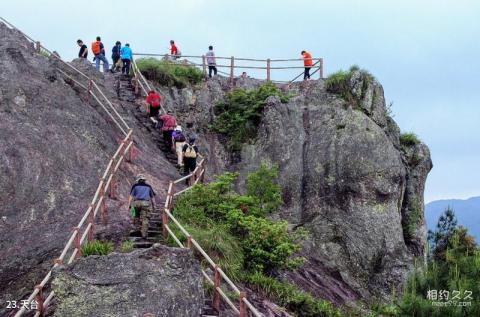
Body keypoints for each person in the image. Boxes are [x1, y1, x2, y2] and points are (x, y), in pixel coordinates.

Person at [128, 174, 156, 239]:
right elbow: (152, 197)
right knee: (145, 219)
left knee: (135, 216)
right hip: (146, 204)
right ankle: (144, 234)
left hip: (136, 203)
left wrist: (129, 205)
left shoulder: (135, 186)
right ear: (144, 180)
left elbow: (130, 197)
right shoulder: (149, 186)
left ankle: (136, 230)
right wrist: (154, 205)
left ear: (138, 180)